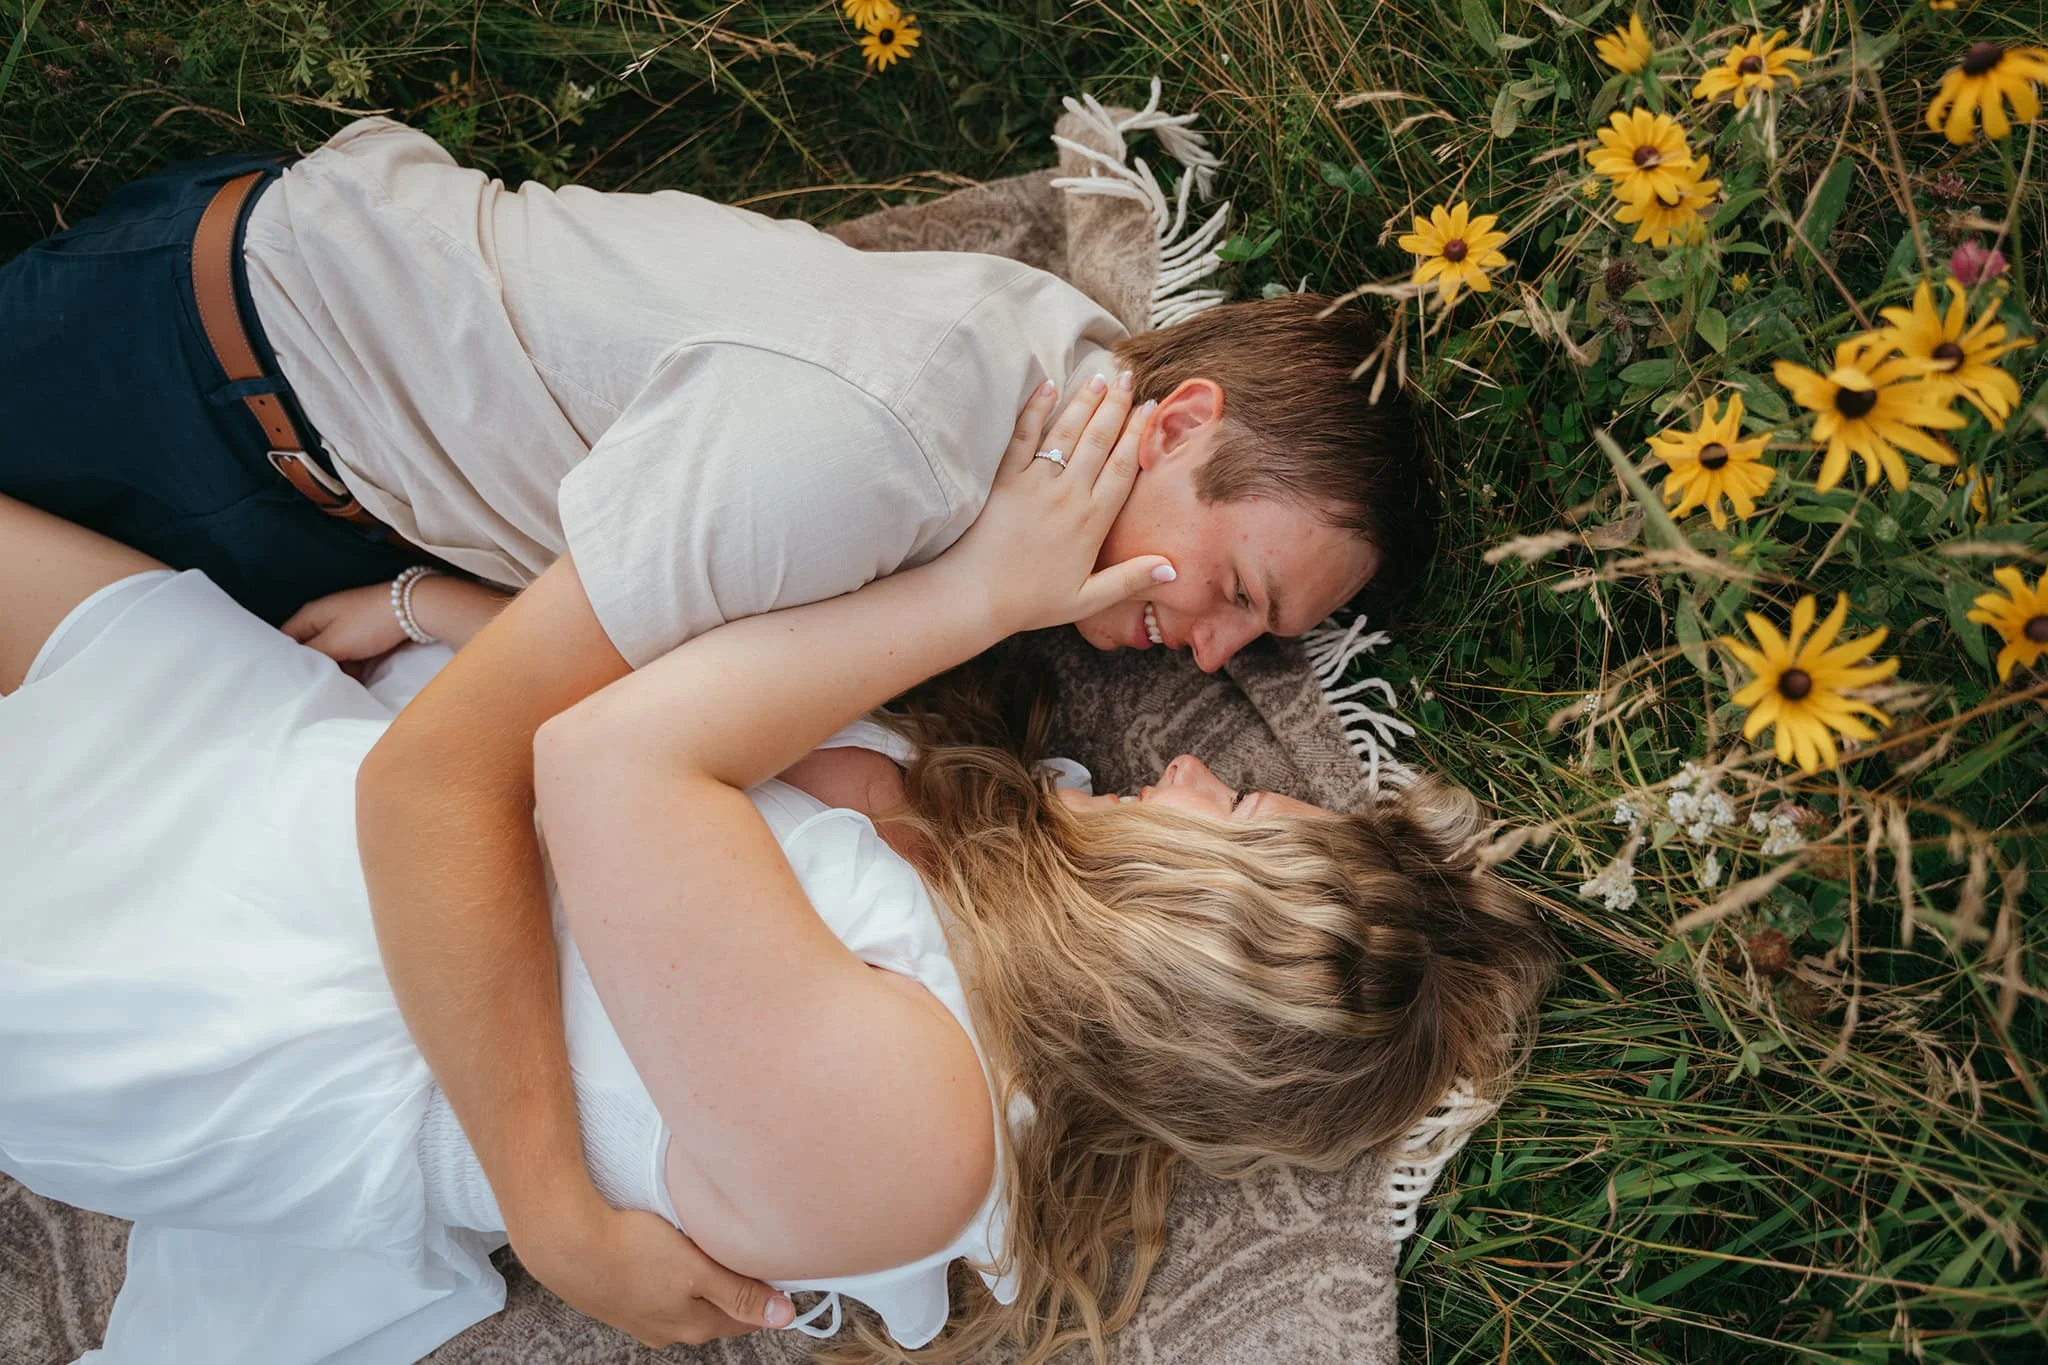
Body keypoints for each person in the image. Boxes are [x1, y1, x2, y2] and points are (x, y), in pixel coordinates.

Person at [0, 121, 1434, 1345]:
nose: (1206, 724)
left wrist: (432, 606)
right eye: (1239, 593)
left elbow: (609, 759)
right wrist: (973, 597)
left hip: (250, 922)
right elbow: (579, 763)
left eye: (1239, 806)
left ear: (1208, 931)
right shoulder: (898, 476)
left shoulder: (931, 1102)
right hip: (226, 397)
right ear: (1179, 422)